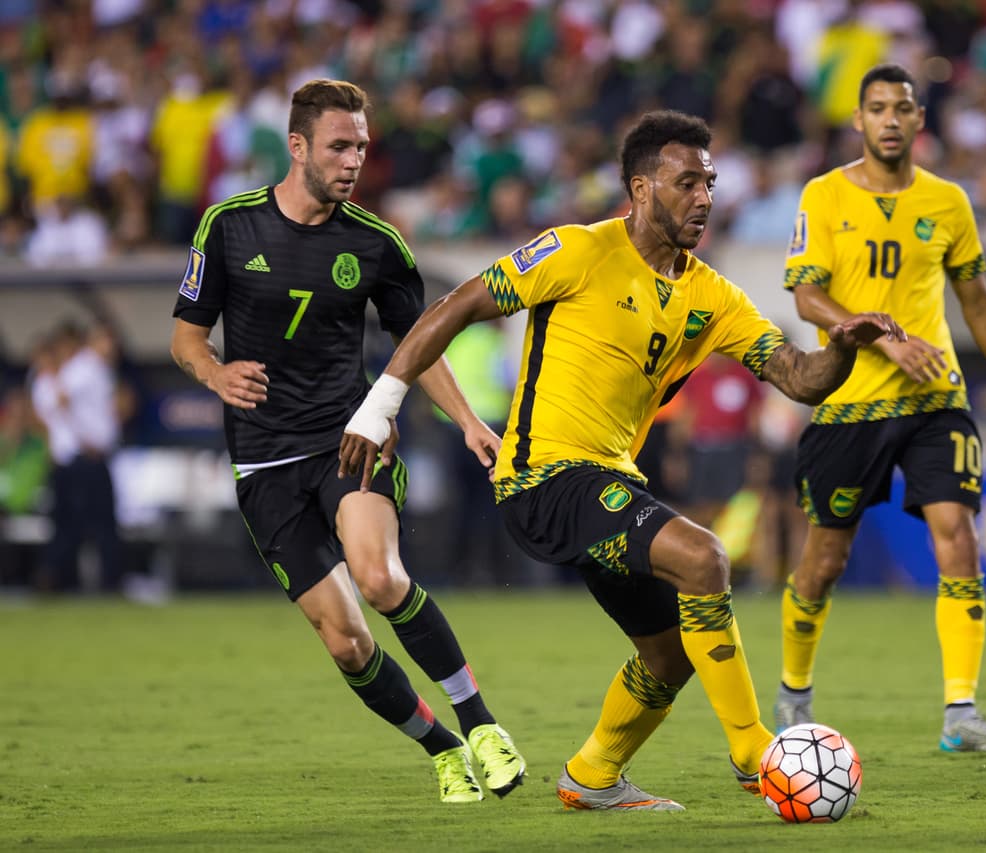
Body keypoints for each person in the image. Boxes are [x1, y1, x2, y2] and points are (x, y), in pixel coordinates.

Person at [339, 110, 903, 811]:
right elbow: (453, 308)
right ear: (640, 188)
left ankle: (593, 774)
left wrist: (843, 346)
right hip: (543, 477)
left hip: (609, 480)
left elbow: (799, 375)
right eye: (686, 182)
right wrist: (380, 404)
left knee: (668, 656)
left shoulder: (711, 294)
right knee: (704, 558)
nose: (704, 197)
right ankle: (755, 748)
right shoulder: (577, 250)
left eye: (710, 182)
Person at [168, 79, 525, 804]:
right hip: (263, 461)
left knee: (381, 576)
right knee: (346, 641)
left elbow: (418, 343)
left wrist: (468, 421)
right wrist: (214, 371)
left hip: (347, 439)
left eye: (362, 145)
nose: (355, 158)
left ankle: (482, 722)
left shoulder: (376, 242)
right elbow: (185, 337)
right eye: (340, 144)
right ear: (296, 147)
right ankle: (442, 746)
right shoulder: (228, 227)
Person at [773, 64, 986, 753]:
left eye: (902, 107)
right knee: (823, 563)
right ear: (858, 122)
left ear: (920, 120)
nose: (890, 119)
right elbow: (808, 298)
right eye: (877, 108)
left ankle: (962, 712)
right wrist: (882, 336)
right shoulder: (825, 194)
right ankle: (793, 693)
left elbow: (978, 303)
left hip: (936, 397)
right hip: (848, 407)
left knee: (958, 534)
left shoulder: (949, 201)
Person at [29, 321, 124, 594]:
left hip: (86, 455)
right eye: (107, 340)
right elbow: (58, 401)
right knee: (97, 523)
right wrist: (83, 437)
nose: (112, 347)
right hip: (86, 457)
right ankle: (104, 582)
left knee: (81, 523)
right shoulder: (85, 367)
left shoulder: (94, 368)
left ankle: (62, 578)